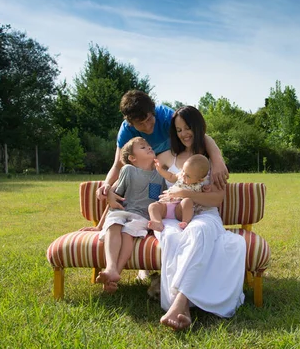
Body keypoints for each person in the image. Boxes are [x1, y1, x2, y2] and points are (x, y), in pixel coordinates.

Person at [153, 106, 246, 331]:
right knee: (173, 238)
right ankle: (182, 305)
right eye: (178, 129)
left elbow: (216, 200)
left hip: (205, 214)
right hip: (174, 215)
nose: (184, 133)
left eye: (188, 128)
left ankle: (180, 303)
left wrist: (185, 193)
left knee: (199, 231)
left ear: (198, 127)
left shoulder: (211, 162)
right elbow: (133, 165)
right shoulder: (167, 156)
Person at [96, 90, 229, 209]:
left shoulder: (167, 117)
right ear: (131, 124)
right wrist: (108, 186)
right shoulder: (126, 131)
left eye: (149, 119)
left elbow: (197, 134)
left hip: (174, 158)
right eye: (140, 124)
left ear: (153, 111)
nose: (147, 127)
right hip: (155, 164)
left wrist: (217, 160)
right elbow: (119, 165)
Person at [81, 137, 165, 293]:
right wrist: (99, 226)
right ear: (132, 158)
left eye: (148, 145)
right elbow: (114, 200)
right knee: (114, 223)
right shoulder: (128, 170)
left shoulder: (160, 176)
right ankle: (110, 266)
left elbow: (161, 201)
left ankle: (114, 274)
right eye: (142, 147)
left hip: (142, 216)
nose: (148, 147)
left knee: (128, 233)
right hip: (122, 210)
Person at [148, 154, 211, 232]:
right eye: (184, 170)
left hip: (179, 210)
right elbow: (170, 177)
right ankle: (157, 222)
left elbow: (203, 197)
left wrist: (206, 189)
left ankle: (185, 221)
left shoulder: (199, 186)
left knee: (187, 201)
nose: (183, 175)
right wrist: (160, 170)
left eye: (188, 176)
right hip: (166, 205)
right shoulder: (181, 175)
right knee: (152, 206)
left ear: (199, 180)